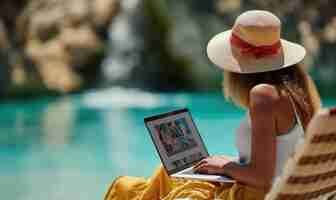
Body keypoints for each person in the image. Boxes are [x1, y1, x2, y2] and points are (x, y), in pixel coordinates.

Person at [104, 10, 321, 200]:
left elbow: (262, 179)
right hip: (281, 191)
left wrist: (227, 167)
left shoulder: (263, 95)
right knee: (167, 172)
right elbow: (280, 158)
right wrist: (236, 162)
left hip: (254, 195)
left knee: (129, 187)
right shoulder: (298, 87)